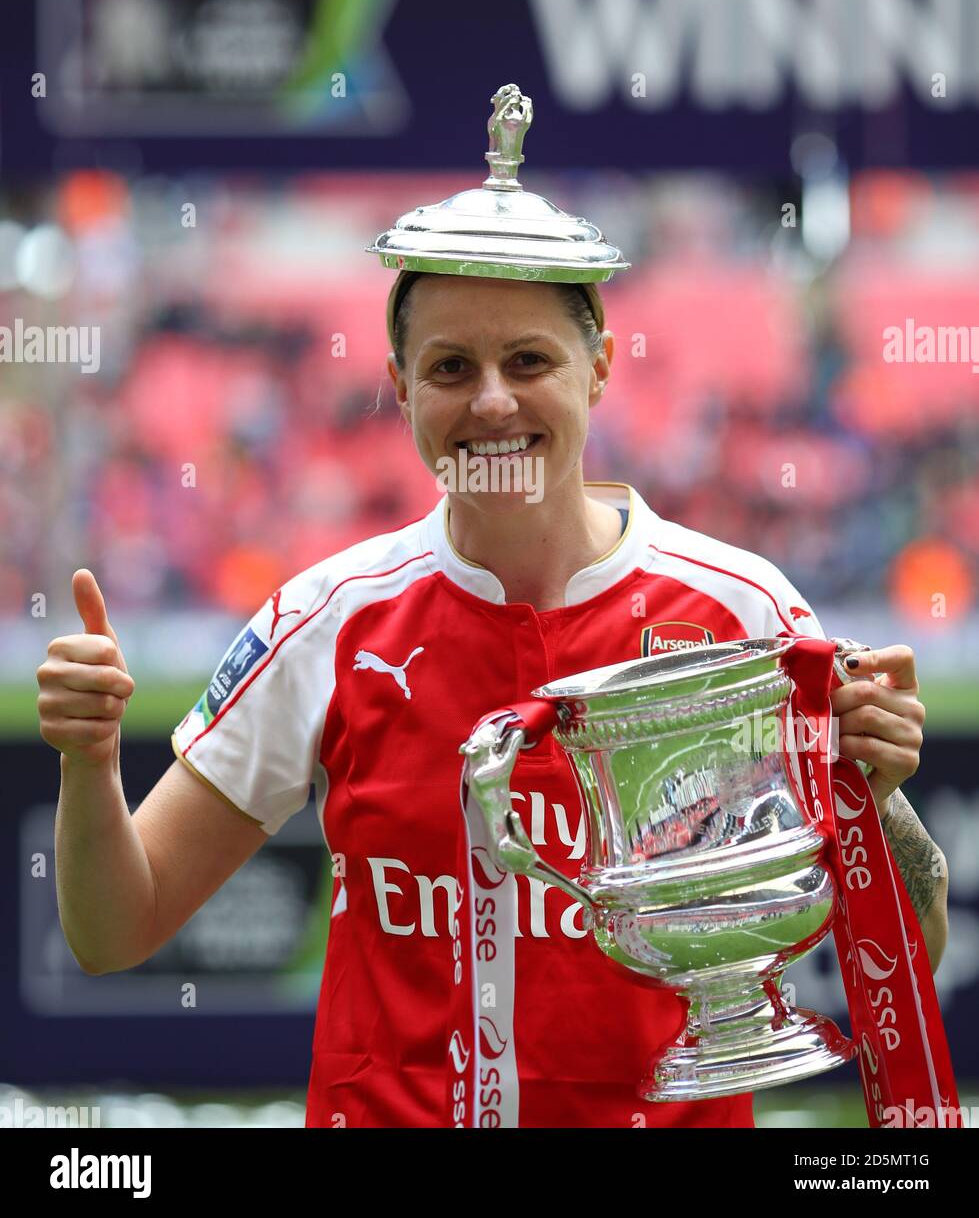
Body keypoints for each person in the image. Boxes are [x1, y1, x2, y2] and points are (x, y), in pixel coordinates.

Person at [38, 89, 949, 1129]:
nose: (491, 403)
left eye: (528, 361)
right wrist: (90, 759)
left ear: (599, 365)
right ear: (397, 385)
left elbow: (907, 952)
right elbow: (113, 930)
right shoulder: (328, 621)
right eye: (449, 369)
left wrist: (872, 794)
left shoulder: (743, 612)